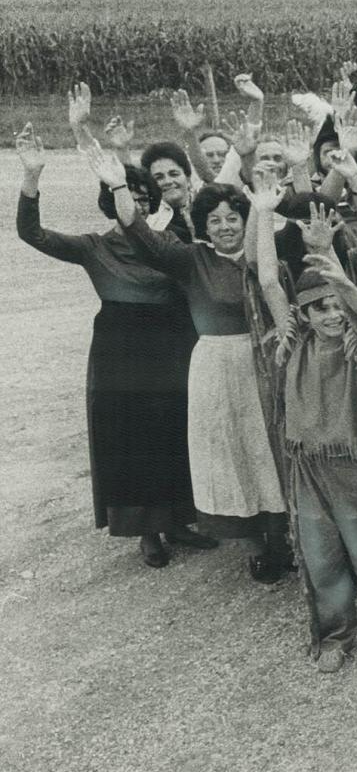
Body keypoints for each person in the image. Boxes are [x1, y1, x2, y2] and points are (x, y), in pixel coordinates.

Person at [91, 141, 294, 582]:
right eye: (215, 220)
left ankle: (282, 539)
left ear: (246, 221)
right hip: (217, 372)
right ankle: (255, 546)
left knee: (271, 451)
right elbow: (139, 234)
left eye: (232, 219)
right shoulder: (189, 260)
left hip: (263, 364)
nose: (224, 227)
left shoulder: (264, 254)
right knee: (233, 455)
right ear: (203, 226)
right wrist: (120, 186)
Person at [15, 125, 215, 570]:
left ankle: (181, 520)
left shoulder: (170, 243)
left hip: (171, 343)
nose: (138, 204)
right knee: (132, 438)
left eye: (145, 198)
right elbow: (32, 234)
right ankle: (147, 531)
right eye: (130, 196)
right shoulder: (92, 248)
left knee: (174, 431)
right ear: (110, 200)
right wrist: (32, 178)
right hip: (120, 349)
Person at [252, 190, 357, 673]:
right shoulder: (291, 343)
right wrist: (263, 210)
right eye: (321, 310)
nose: (333, 316)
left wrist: (328, 254)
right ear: (306, 315)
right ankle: (335, 634)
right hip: (307, 466)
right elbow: (271, 283)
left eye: (337, 307)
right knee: (320, 556)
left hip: (354, 466)